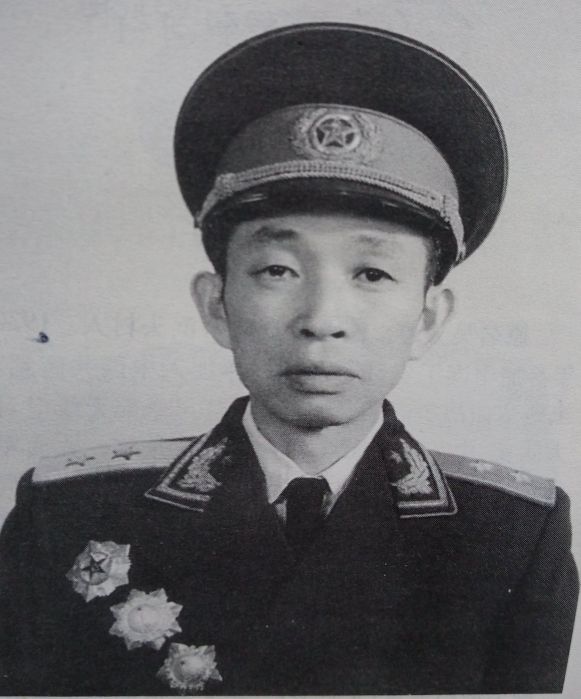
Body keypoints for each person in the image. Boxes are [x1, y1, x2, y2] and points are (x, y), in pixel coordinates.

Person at [0, 22, 577, 696]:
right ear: (217, 304)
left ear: (427, 319)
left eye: (371, 274)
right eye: (277, 269)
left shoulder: (507, 536)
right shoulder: (69, 514)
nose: (321, 319)